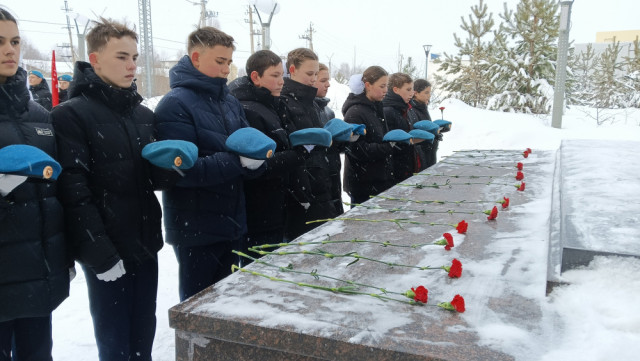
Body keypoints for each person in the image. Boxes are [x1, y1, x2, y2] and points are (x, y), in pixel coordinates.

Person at [51, 18, 177, 361]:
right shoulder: (70, 116)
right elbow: (74, 190)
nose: (132, 65)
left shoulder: (142, 115)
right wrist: (99, 254)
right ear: (94, 60)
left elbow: (150, 180)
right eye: (122, 56)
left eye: (134, 56)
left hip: (144, 242)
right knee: (115, 340)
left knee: (143, 332)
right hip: (107, 247)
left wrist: (171, 166)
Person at [154, 26, 264, 301]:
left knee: (227, 305)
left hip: (232, 223)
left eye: (228, 62)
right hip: (197, 229)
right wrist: (239, 162)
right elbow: (182, 171)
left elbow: (247, 146)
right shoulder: (175, 105)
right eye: (219, 61)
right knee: (199, 308)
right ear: (196, 58)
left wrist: (257, 161)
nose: (227, 69)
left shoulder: (230, 102)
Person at [0, 9, 70, 361]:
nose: (10, 50)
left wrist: (64, 256)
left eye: (14, 41)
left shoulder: (40, 118)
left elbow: (56, 192)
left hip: (36, 273)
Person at [229, 49, 308, 251]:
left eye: (282, 75)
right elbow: (257, 164)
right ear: (255, 77)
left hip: (279, 204)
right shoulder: (248, 110)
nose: (281, 81)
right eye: (275, 75)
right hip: (260, 210)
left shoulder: (273, 104)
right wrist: (298, 154)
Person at [280, 48, 339, 240]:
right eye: (309, 74)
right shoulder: (285, 103)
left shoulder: (312, 103)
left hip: (321, 182)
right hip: (303, 190)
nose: (313, 79)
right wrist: (302, 194)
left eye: (315, 74)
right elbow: (291, 150)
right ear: (292, 70)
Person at [342, 66, 396, 204]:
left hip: (379, 181)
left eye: (387, 86)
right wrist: (388, 147)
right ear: (368, 85)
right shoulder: (355, 112)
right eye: (382, 86)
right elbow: (356, 149)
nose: (386, 90)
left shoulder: (376, 108)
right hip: (363, 184)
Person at [314, 63, 344, 215]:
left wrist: (344, 139)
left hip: (332, 172)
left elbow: (333, 146)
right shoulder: (308, 110)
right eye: (323, 80)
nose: (328, 84)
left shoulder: (328, 111)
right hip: (318, 179)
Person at [383, 72, 423, 182]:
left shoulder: (406, 108)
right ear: (396, 90)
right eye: (408, 89)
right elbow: (392, 142)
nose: (412, 93)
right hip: (397, 170)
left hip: (407, 166)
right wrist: (410, 140)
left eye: (413, 89)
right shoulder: (388, 111)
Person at [410, 78, 440, 169]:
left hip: (429, 149)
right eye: (426, 92)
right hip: (420, 153)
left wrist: (436, 132)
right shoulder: (412, 109)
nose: (429, 95)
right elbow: (417, 132)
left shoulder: (423, 107)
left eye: (430, 92)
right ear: (416, 93)